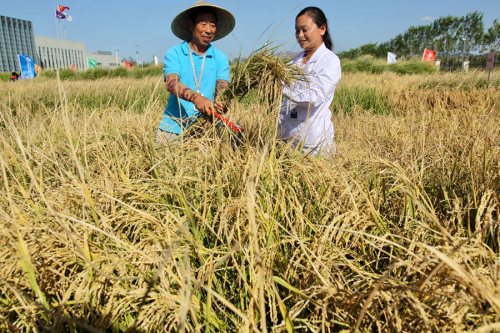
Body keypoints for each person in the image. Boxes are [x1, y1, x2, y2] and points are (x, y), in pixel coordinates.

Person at [157, 0, 235, 143]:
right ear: (191, 25)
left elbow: (223, 87)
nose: (208, 29)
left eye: (213, 25)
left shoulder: (220, 58)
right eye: (203, 23)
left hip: (207, 128)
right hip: (174, 127)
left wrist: (222, 102)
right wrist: (196, 98)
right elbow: (171, 83)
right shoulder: (175, 53)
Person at [278, 7, 341, 156]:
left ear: (322, 29)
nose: (300, 35)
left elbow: (314, 96)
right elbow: (283, 103)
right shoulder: (293, 63)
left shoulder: (330, 61)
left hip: (314, 145)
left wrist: (281, 88)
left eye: (304, 30)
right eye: (297, 31)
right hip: (287, 142)